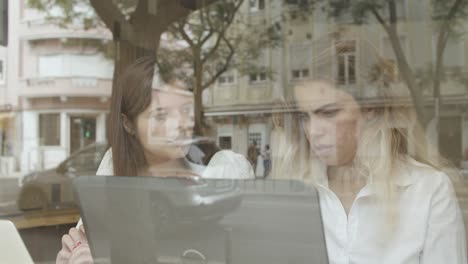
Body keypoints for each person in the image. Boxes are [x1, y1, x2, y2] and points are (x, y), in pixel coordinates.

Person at [271, 42, 467, 263]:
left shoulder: (427, 190)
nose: (313, 131)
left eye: (328, 113)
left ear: (370, 108)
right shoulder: (295, 188)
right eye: (304, 117)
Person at [56, 57, 254, 264]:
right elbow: (86, 239)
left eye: (185, 110)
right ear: (128, 124)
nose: (180, 124)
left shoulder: (225, 168)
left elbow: (246, 252)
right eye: (161, 116)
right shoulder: (115, 165)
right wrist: (75, 255)